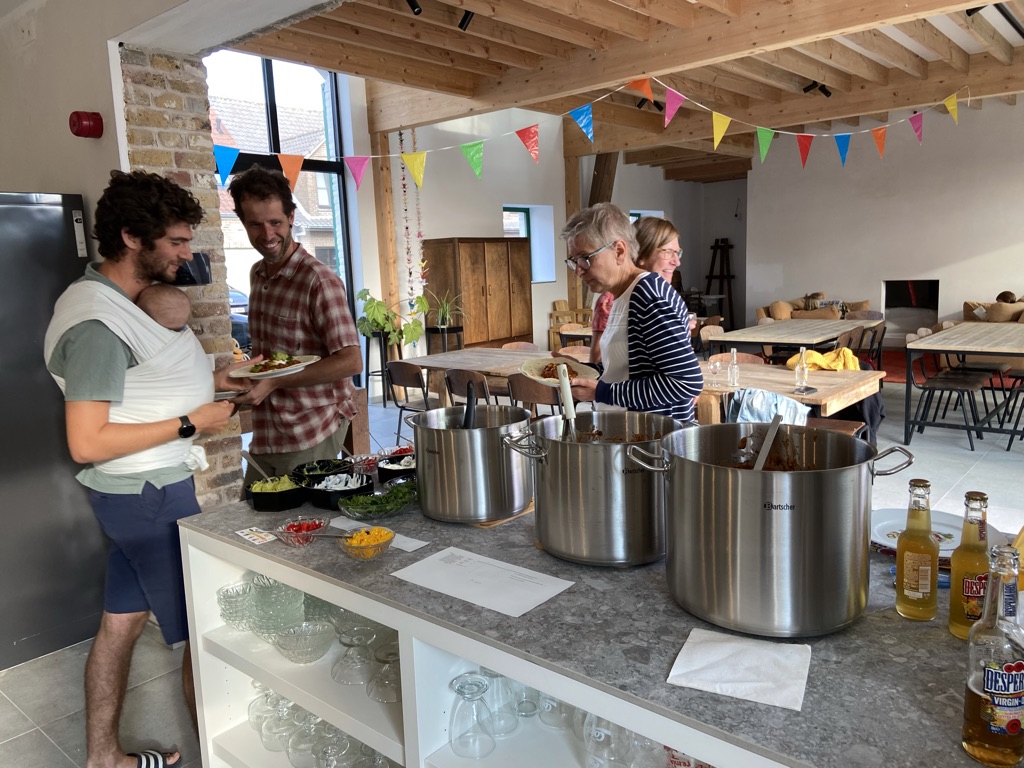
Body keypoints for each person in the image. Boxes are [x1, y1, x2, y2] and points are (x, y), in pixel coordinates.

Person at [43, 170, 243, 768]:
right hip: (146, 495)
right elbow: (87, 440)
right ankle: (221, 755)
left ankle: (104, 756)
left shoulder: (115, 305)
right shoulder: (97, 326)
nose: (187, 255)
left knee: (121, 623)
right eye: (177, 243)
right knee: (200, 635)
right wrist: (192, 423)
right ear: (133, 237)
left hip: (143, 490)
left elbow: (137, 389)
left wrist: (216, 387)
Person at [227, 166, 363, 486]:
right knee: (258, 523)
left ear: (291, 217)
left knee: (299, 525)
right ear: (243, 223)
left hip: (311, 428)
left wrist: (275, 383)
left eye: (275, 222)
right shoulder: (258, 274)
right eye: (255, 224)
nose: (267, 234)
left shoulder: (319, 280)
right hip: (268, 431)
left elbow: (351, 361)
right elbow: (273, 359)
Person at [562, 203, 703, 421]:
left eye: (585, 258)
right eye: (574, 261)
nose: (579, 270)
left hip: (656, 440)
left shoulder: (649, 297)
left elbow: (685, 382)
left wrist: (601, 392)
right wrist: (581, 371)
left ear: (619, 251)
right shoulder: (623, 294)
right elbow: (628, 369)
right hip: (631, 433)